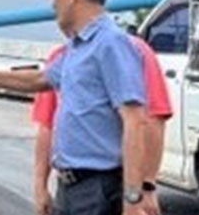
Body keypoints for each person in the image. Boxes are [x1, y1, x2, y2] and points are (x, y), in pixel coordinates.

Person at [0, 0, 149, 215]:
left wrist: (132, 199)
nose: (53, 3)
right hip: (71, 187)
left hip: (98, 189)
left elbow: (135, 120)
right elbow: (41, 80)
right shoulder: (78, 48)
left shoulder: (111, 44)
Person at [31, 33, 174, 215]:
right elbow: (47, 126)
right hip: (68, 186)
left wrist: (146, 186)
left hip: (106, 184)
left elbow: (153, 120)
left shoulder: (132, 51)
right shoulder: (62, 57)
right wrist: (40, 186)